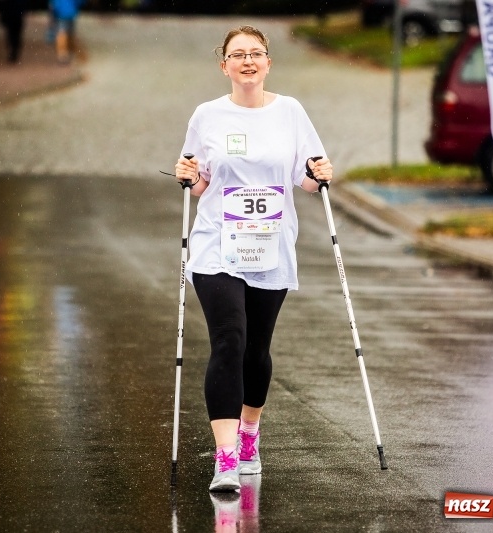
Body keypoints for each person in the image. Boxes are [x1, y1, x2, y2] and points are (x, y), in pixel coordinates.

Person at [174, 25, 333, 492]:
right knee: (229, 339)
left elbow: (307, 178)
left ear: (268, 63)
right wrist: (187, 176)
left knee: (255, 350)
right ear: (223, 65)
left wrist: (320, 173)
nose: (247, 61)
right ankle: (225, 459)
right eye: (237, 54)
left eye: (256, 53)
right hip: (216, 245)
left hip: (270, 245)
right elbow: (200, 182)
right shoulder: (207, 116)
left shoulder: (291, 113)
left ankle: (249, 434)